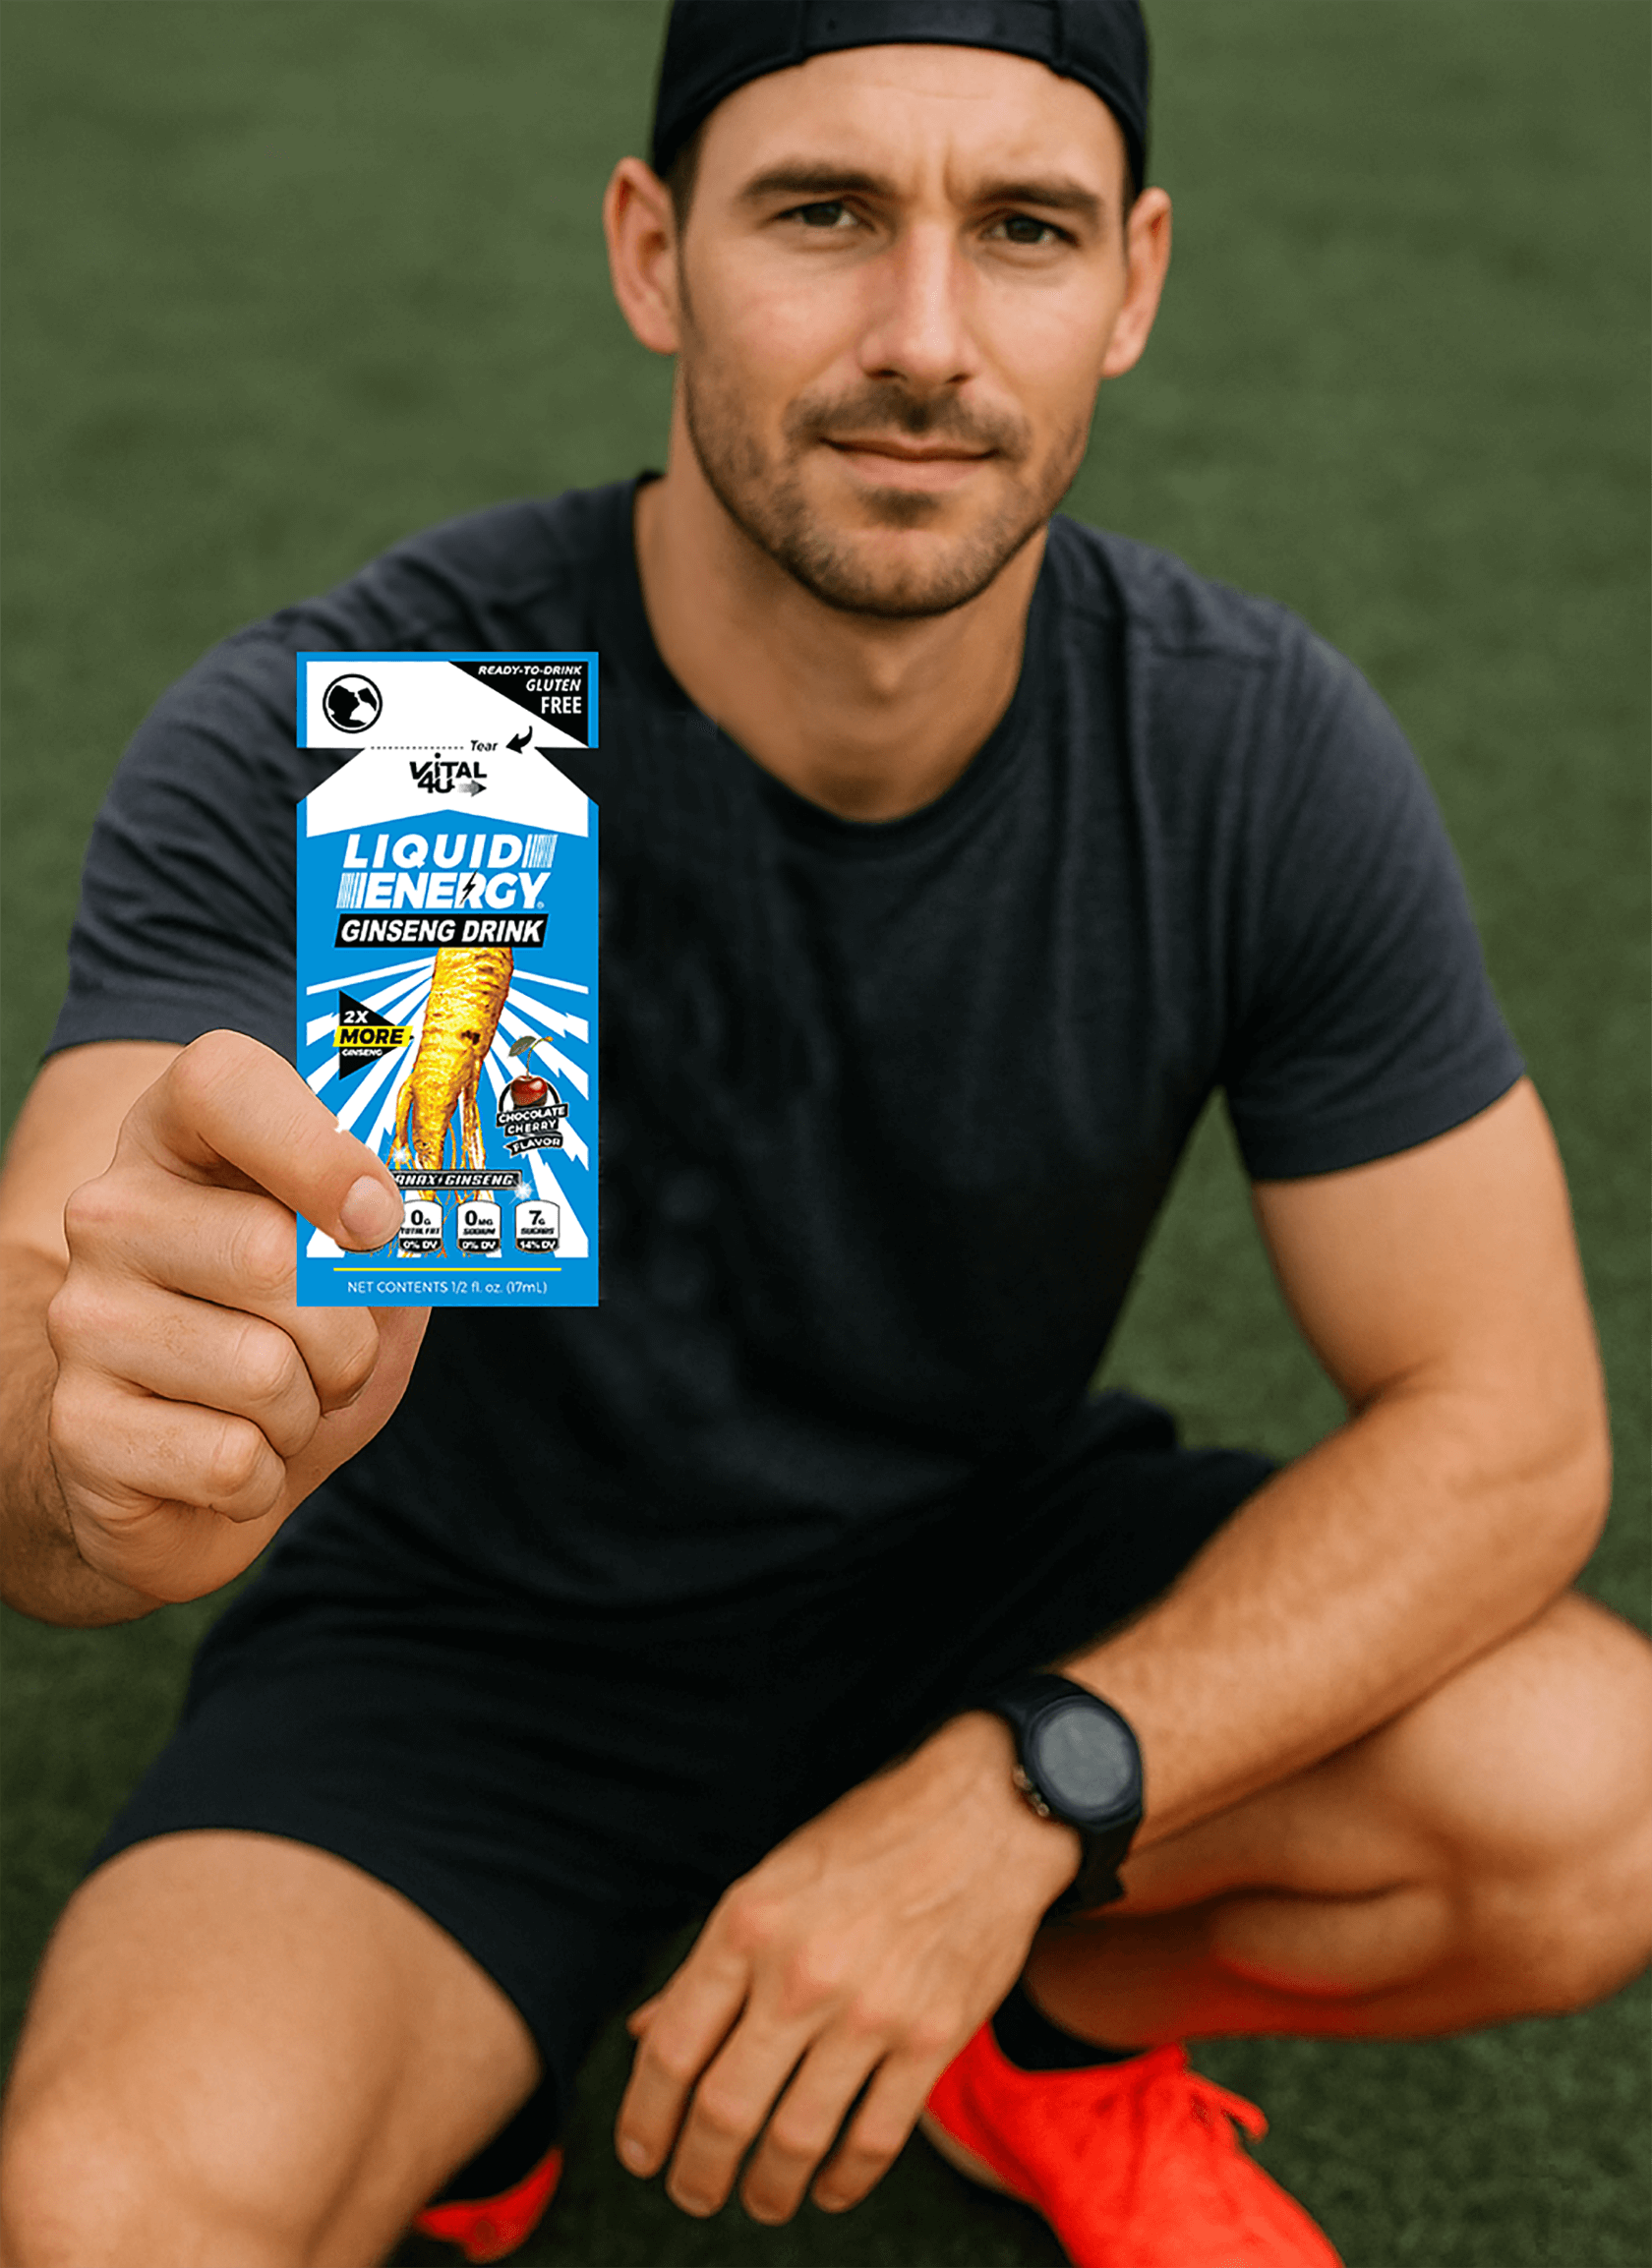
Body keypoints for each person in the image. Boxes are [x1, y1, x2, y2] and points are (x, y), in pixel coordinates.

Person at [0, 2, 1647, 2262]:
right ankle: (489, 2049)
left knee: (1603, 1799)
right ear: (654, 249)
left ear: (1135, 283)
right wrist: (87, 1437)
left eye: (1028, 230)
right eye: (827, 214)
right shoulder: (446, 733)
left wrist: (1021, 1797)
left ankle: (1037, 2024)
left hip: (982, 1587)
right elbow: (56, 1330)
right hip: (473, 1657)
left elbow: (1517, 1424)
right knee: (115, 2209)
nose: (925, 338)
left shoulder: (1237, 750)